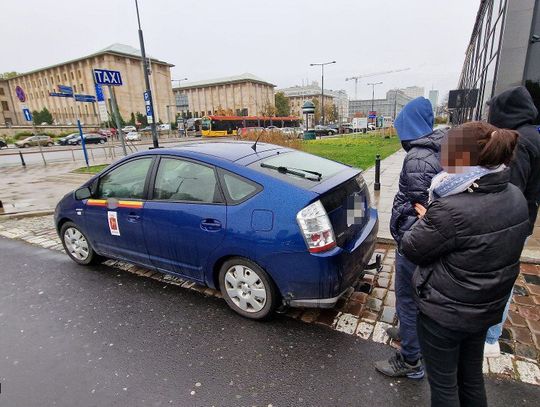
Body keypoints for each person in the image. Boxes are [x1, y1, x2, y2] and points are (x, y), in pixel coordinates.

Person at [401, 121, 529, 407]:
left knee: (444, 386)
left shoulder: (449, 208)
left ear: (461, 157)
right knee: (471, 378)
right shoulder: (515, 195)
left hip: (446, 312)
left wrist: (428, 218)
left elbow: (412, 247)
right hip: (485, 308)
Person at [374, 97, 446, 379]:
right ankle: (407, 332)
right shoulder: (441, 146)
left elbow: (422, 205)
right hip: (426, 240)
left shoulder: (418, 157)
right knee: (415, 297)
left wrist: (409, 229)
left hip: (414, 241)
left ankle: (410, 360)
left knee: (407, 297)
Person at [484, 86, 540, 356]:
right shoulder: (534, 134)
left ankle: (490, 338)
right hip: (523, 220)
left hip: (508, 225)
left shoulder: (519, 142)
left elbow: (509, 192)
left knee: (498, 278)